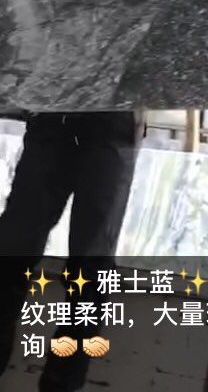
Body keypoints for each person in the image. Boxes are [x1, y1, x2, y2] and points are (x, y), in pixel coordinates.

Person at [0, 111, 144, 390]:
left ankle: (60, 384)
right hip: (57, 114)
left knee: (91, 271)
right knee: (11, 253)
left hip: (110, 121)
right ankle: (61, 382)